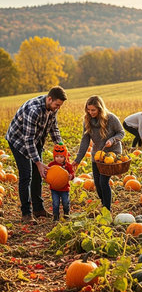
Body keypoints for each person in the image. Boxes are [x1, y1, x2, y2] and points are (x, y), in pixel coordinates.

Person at [5, 86, 67, 223]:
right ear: (49, 99)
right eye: (57, 105)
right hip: (19, 140)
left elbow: (53, 128)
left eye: (59, 106)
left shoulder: (52, 108)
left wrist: (61, 147)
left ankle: (39, 209)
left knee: (38, 174)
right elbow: (27, 140)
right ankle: (26, 214)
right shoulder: (33, 110)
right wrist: (38, 162)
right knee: (27, 175)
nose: (58, 108)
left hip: (36, 139)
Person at [72, 96, 124, 211]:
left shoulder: (111, 118)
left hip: (111, 154)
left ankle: (107, 209)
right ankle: (104, 203)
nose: (90, 112)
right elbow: (85, 141)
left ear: (100, 109)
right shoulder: (87, 120)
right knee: (98, 184)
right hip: (97, 154)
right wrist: (78, 160)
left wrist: (112, 140)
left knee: (103, 181)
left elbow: (121, 133)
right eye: (88, 110)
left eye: (93, 110)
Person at [48, 143, 74, 221]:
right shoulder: (51, 165)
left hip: (65, 189)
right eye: (57, 156)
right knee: (55, 203)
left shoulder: (68, 166)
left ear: (65, 157)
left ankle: (66, 214)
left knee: (65, 202)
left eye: (61, 157)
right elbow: (48, 174)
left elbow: (72, 173)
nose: (59, 159)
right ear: (54, 157)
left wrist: (71, 176)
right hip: (54, 189)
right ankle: (56, 216)